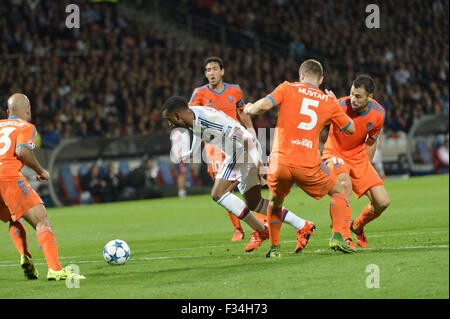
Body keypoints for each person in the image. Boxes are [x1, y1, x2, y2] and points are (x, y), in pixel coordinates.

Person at [162, 96, 316, 254]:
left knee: (218, 193)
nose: (169, 123)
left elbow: (246, 138)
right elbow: (197, 131)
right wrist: (190, 152)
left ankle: (261, 230)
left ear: (178, 116)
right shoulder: (192, 116)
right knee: (254, 203)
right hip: (240, 152)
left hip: (243, 151)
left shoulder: (207, 120)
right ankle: (303, 225)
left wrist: (259, 166)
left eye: (169, 119)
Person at [244, 59, 356, 257]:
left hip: (281, 162)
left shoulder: (287, 88)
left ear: (301, 75)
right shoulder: (327, 101)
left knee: (275, 202)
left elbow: (262, 106)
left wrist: (249, 108)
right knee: (339, 190)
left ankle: (275, 249)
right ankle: (337, 235)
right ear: (321, 79)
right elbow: (350, 128)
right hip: (308, 164)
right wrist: (336, 105)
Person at [0, 93, 85, 281]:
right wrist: (41, 170)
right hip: (8, 178)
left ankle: (25, 256)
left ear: (8, 112)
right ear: (28, 110)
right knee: (42, 221)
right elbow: (21, 151)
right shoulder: (27, 127)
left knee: (15, 217)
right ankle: (55, 269)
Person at [188, 56, 262, 241]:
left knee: (229, 186)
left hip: (234, 141)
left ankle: (255, 224)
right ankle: (239, 228)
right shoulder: (199, 93)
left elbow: (243, 113)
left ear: (222, 71)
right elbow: (190, 119)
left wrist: (252, 134)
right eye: (207, 70)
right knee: (221, 188)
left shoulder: (234, 90)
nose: (211, 73)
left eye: (214, 69)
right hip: (212, 145)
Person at [323, 75, 391, 250]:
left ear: (370, 97)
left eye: (358, 96)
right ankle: (343, 237)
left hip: (358, 157)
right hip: (334, 152)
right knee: (344, 185)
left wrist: (365, 166)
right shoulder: (340, 105)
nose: (353, 99)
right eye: (352, 94)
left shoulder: (379, 113)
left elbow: (372, 140)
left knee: (382, 202)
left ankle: (357, 226)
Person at [170, 128, 191, 198]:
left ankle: (183, 191)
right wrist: (178, 156)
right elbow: (174, 145)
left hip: (185, 157)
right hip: (180, 158)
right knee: (181, 174)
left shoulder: (186, 132)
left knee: (184, 174)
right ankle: (181, 192)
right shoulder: (177, 132)